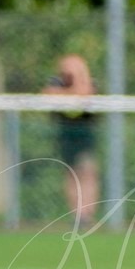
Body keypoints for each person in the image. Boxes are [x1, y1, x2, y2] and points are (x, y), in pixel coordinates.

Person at [44, 53, 100, 224]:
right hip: (66, 135)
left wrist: (77, 81)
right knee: (71, 175)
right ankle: (77, 214)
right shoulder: (56, 82)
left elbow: (85, 94)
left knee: (88, 173)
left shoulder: (89, 82)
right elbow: (48, 95)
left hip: (85, 137)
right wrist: (69, 92)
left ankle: (87, 214)